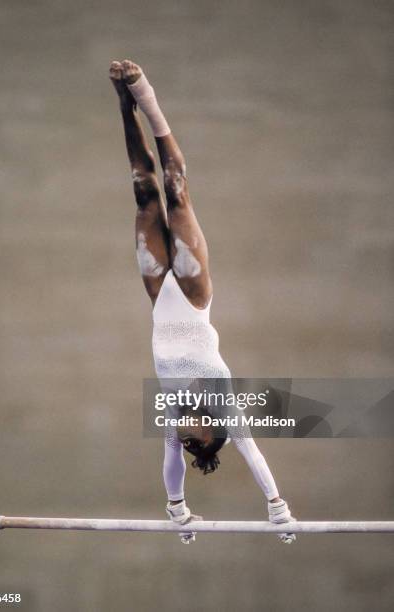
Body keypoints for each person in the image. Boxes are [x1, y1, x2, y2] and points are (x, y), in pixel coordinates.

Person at [109, 59, 296, 544]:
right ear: (216, 433)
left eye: (188, 439)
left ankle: (122, 102)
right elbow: (253, 453)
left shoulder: (173, 413)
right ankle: (147, 97)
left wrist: (177, 509)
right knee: (177, 195)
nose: (188, 435)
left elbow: (171, 462)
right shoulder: (224, 405)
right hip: (191, 297)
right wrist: (277, 508)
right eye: (198, 439)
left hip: (157, 296)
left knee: (144, 195)